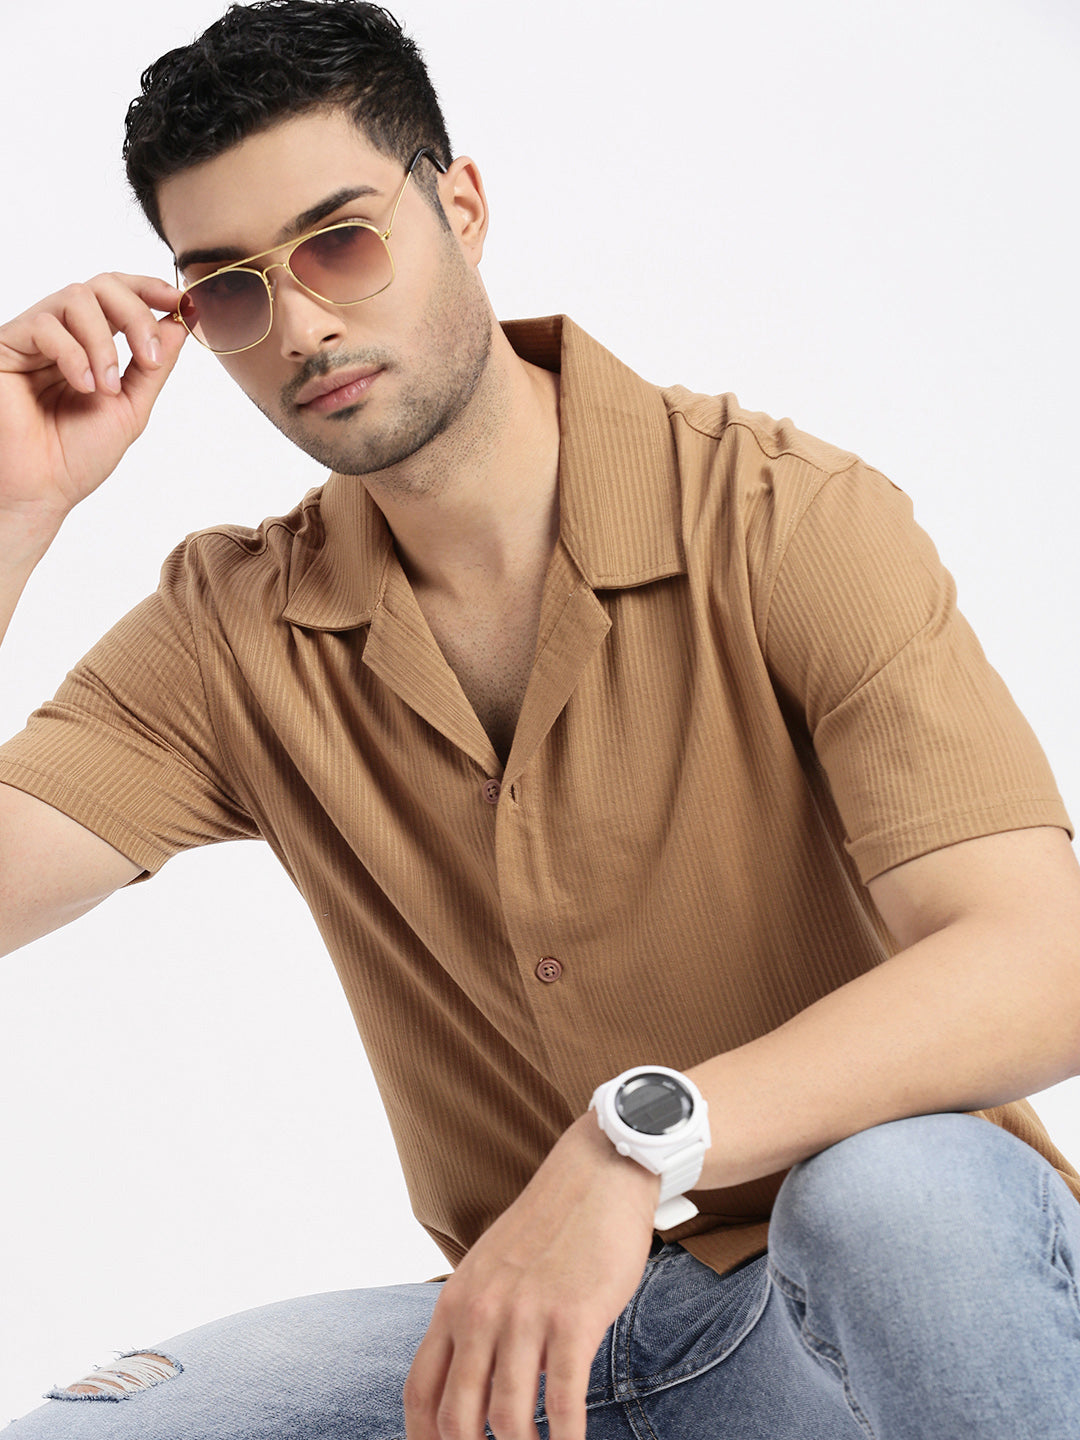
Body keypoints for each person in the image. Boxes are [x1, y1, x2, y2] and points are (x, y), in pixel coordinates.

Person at [2, 0, 1079, 1435]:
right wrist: (12, 502)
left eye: (341, 242)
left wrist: (638, 1141)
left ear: (460, 205)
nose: (304, 326)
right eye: (234, 294)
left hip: (868, 1325)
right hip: (562, 1347)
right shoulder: (233, 629)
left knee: (896, 1198)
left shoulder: (780, 517)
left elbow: (1043, 962)